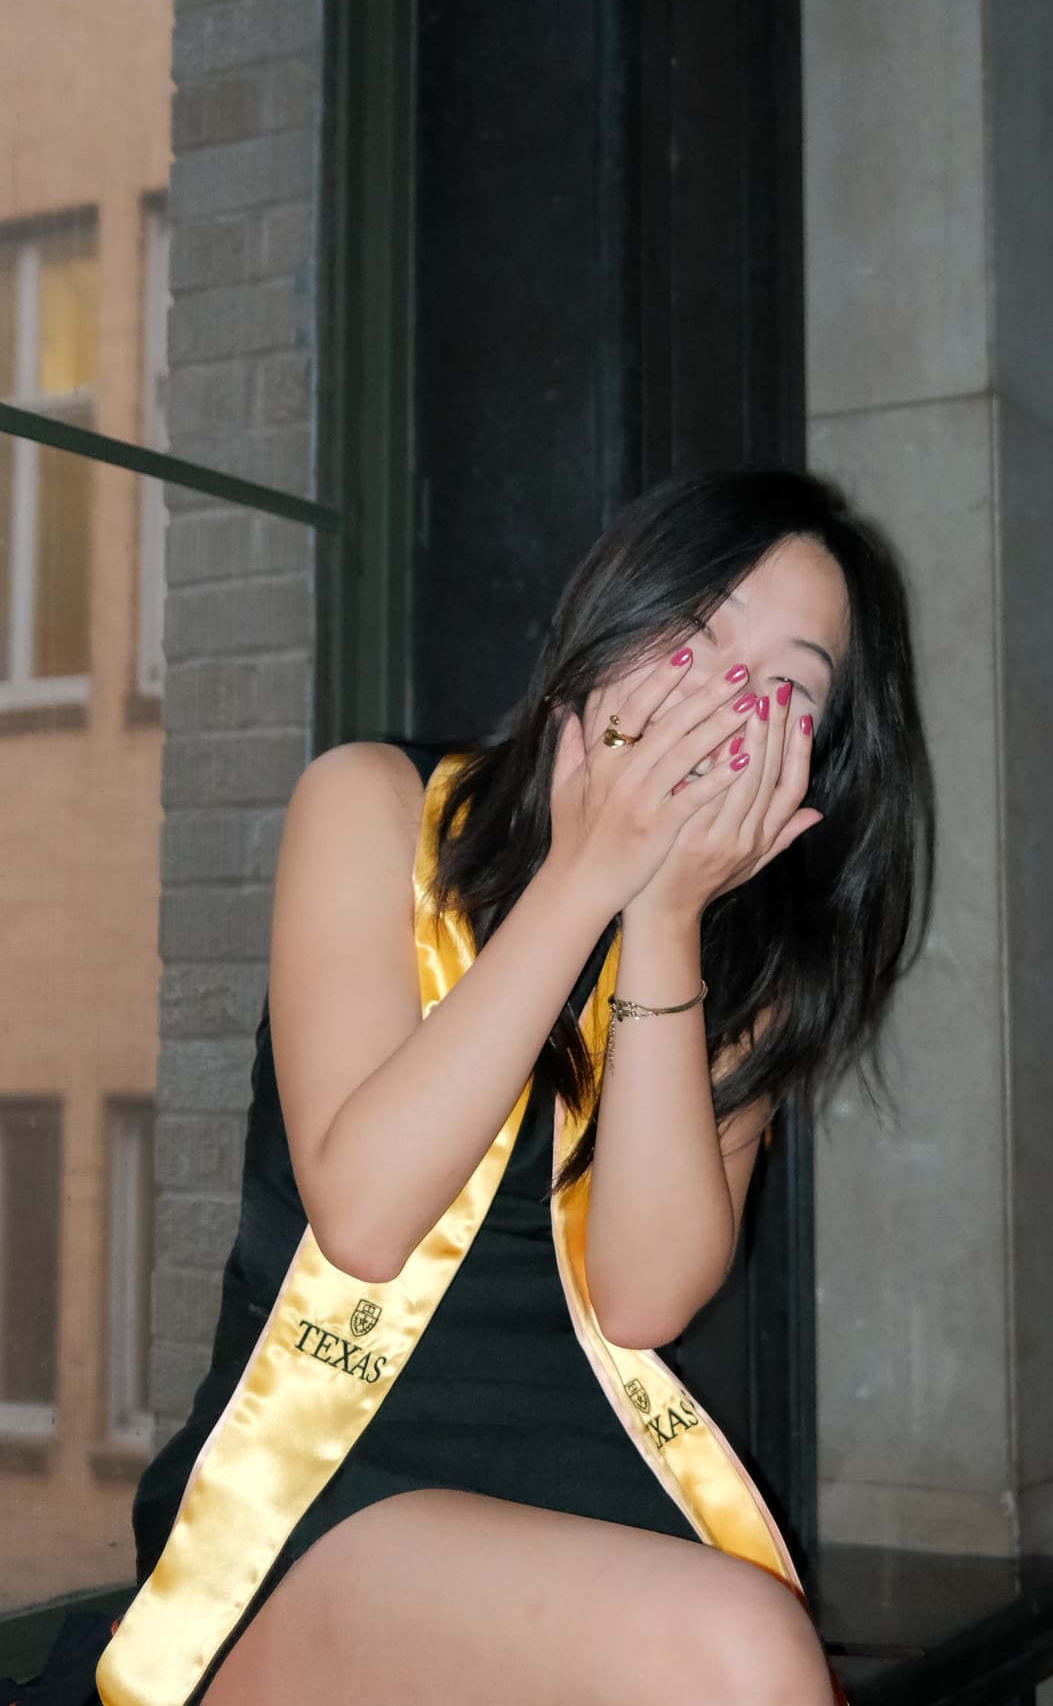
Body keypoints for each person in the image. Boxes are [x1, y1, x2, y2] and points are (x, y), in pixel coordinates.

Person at [92, 467, 933, 1706]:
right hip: (320, 1490)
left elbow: (643, 1298)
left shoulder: (745, 967)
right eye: (700, 633)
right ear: (613, 615)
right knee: (740, 1652)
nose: (724, 701)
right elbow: (365, 1217)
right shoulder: (376, 804)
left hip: (584, 1480)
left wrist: (663, 917)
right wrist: (588, 872)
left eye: (788, 686)